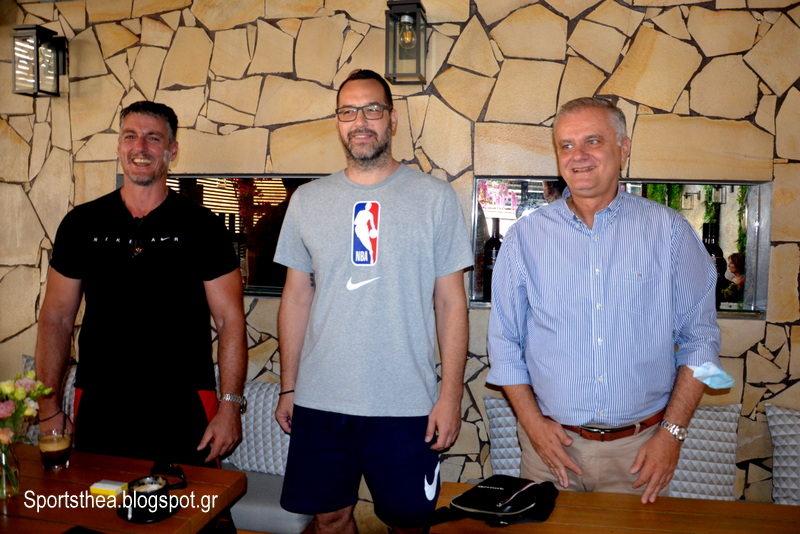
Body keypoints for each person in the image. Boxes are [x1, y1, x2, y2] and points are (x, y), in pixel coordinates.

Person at [487, 97, 731, 504]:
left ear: (624, 147)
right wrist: (532, 426)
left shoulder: (669, 232)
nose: (578, 156)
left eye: (593, 141)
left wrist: (672, 435)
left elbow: (701, 341)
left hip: (640, 454)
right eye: (566, 145)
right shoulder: (525, 239)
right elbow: (505, 343)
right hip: (551, 451)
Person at [274, 69, 473, 534]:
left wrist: (449, 396)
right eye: (348, 111)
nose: (360, 121)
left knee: (409, 523)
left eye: (372, 109)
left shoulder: (434, 198)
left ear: (392, 119)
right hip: (320, 401)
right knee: (329, 519)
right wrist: (288, 387)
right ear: (337, 122)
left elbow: (451, 304)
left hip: (407, 403)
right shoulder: (308, 200)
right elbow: (296, 298)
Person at [35, 101, 247, 469]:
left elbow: (230, 320)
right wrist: (48, 408)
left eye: (153, 138)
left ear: (172, 151)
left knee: (191, 505)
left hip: (183, 404)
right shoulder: (81, 224)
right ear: (119, 146)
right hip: (101, 402)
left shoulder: (203, 227)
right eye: (130, 136)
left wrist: (229, 407)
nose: (141, 147)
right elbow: (55, 319)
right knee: (97, 502)